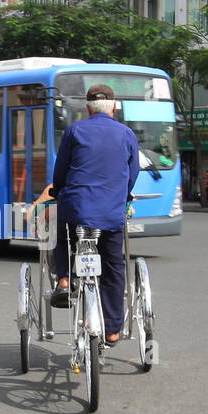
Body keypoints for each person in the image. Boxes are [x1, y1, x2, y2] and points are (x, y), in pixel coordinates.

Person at [49, 85, 139, 346]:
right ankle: (112, 330)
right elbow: (132, 173)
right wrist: (123, 193)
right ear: (114, 106)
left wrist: (58, 189)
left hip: (76, 209)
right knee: (113, 268)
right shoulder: (126, 134)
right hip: (111, 213)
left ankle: (65, 279)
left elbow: (62, 169)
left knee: (64, 235)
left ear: (87, 108)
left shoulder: (75, 130)